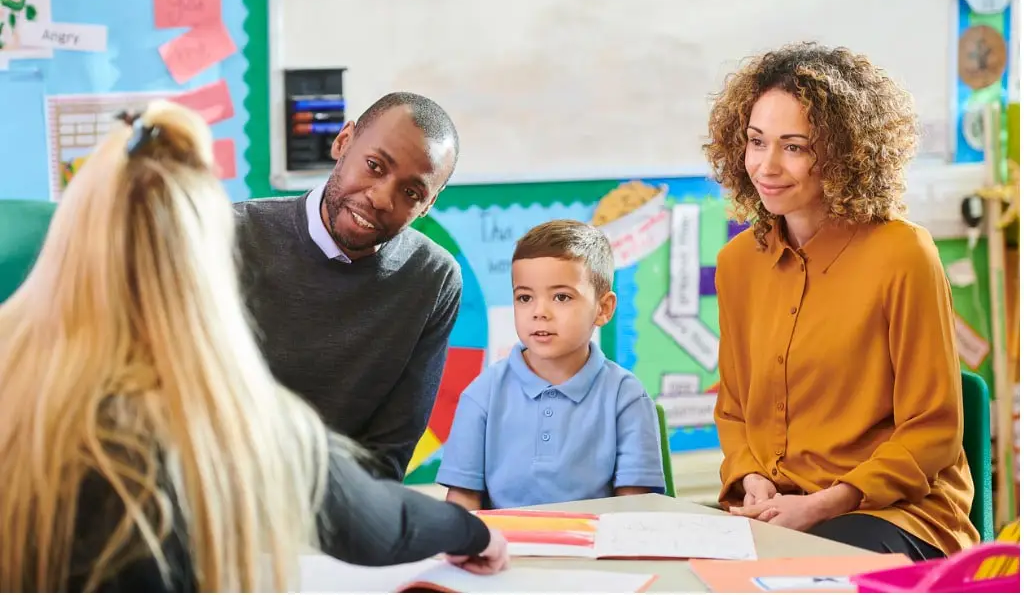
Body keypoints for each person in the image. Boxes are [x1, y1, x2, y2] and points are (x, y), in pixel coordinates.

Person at [0, 101, 508, 592]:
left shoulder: (15, 357)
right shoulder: (218, 416)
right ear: (198, 265)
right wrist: (472, 531)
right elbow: (369, 519)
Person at [702, 42, 978, 560]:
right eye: (756, 141)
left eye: (795, 147)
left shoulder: (904, 254)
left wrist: (828, 503)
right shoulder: (738, 263)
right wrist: (750, 475)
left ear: (846, 153)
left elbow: (933, 429)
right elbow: (735, 410)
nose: (767, 165)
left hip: (893, 512)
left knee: (806, 569)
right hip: (777, 508)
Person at [234, 92, 463, 481]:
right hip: (215, 506)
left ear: (428, 204)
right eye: (374, 166)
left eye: (411, 193)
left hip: (339, 514)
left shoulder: (433, 279)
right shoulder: (227, 237)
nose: (380, 198)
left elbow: (390, 453)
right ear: (343, 141)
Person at [438, 219, 665, 510]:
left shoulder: (627, 396)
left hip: (593, 549)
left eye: (561, 297)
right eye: (525, 297)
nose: (539, 312)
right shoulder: (482, 394)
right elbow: (463, 502)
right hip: (504, 551)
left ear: (603, 308)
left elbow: (635, 506)